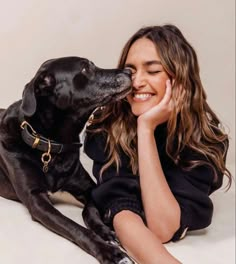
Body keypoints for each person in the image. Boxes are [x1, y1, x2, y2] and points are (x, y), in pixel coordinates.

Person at [84, 24, 232, 264]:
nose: (137, 82)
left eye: (152, 71)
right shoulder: (106, 130)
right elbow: (123, 212)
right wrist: (145, 128)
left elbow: (162, 227)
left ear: (180, 80)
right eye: (131, 71)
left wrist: (147, 129)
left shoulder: (205, 143)